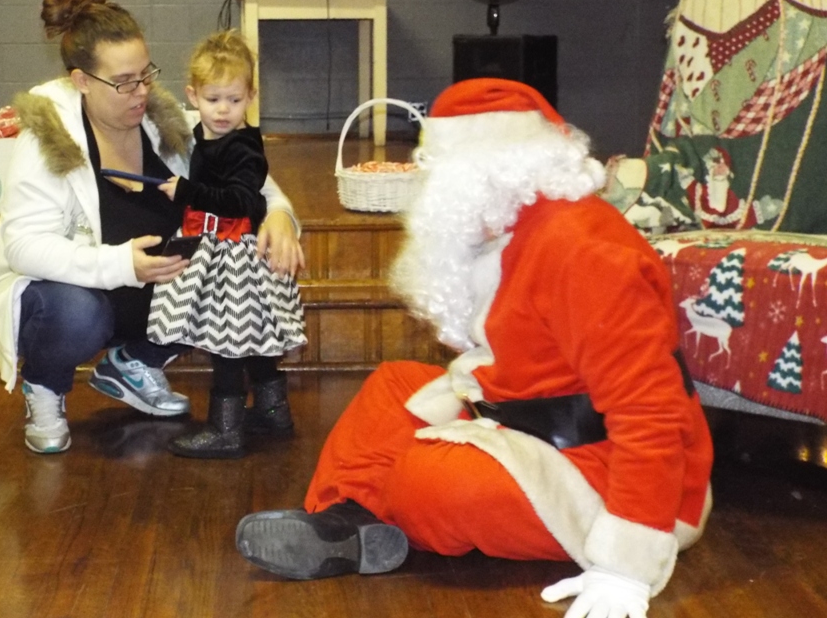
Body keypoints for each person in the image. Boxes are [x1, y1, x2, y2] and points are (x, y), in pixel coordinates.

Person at [235, 79, 714, 618]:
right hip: (524, 414)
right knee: (393, 387)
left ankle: (381, 512)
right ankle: (347, 525)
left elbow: (651, 412)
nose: (430, 188)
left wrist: (626, 569)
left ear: (488, 171)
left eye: (440, 172)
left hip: (613, 473)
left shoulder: (582, 249)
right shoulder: (510, 224)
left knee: (431, 479)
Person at [0, 0, 303, 455]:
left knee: (229, 276)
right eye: (124, 82)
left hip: (151, 289)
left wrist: (280, 218)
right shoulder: (47, 139)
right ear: (81, 81)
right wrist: (122, 265)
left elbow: (249, 181)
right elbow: (23, 247)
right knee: (78, 313)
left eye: (146, 74)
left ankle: (136, 362)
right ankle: (44, 387)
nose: (141, 91)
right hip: (74, 296)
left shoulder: (165, 124)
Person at [147, 29, 306, 459]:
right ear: (193, 96)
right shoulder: (204, 136)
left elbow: (241, 201)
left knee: (228, 342)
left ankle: (226, 429)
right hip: (218, 247)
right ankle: (273, 412)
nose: (222, 110)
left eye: (234, 100)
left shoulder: (243, 148)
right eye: (213, 98)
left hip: (236, 254)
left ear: (251, 96)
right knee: (250, 336)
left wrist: (187, 192)